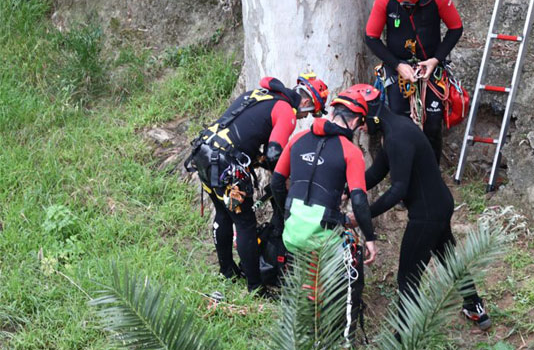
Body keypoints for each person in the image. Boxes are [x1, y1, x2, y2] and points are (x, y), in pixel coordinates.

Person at [349, 84, 491, 330]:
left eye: (359, 122)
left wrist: (363, 215)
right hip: (439, 204)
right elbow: (376, 173)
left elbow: (398, 190)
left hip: (426, 215)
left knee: (407, 278)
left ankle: (403, 339)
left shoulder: (396, 138)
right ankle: (474, 306)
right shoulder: (397, 127)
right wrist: (348, 188)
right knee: (449, 259)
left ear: (369, 116)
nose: (360, 127)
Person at [186, 73, 329, 293]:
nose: (304, 118)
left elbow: (246, 132)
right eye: (311, 113)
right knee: (245, 224)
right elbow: (274, 153)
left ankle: (227, 272)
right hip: (226, 166)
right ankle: (254, 287)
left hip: (204, 154)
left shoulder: (259, 94)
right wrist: (283, 179)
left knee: (223, 214)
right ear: (307, 102)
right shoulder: (286, 112)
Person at [365, 0, 463, 164]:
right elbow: (371, 37)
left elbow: (456, 28)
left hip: (431, 68)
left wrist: (436, 60)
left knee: (433, 124)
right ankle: (402, 172)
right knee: (399, 123)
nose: (408, 8)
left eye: (412, 4)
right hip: (397, 69)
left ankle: (431, 172)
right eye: (404, 4)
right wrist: (398, 65)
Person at [270, 86, 377, 262]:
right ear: (355, 121)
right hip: (323, 239)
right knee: (347, 266)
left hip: (291, 233)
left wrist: (288, 214)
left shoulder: (298, 138)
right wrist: (370, 239)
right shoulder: (351, 152)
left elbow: (276, 183)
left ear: (333, 112)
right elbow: (359, 201)